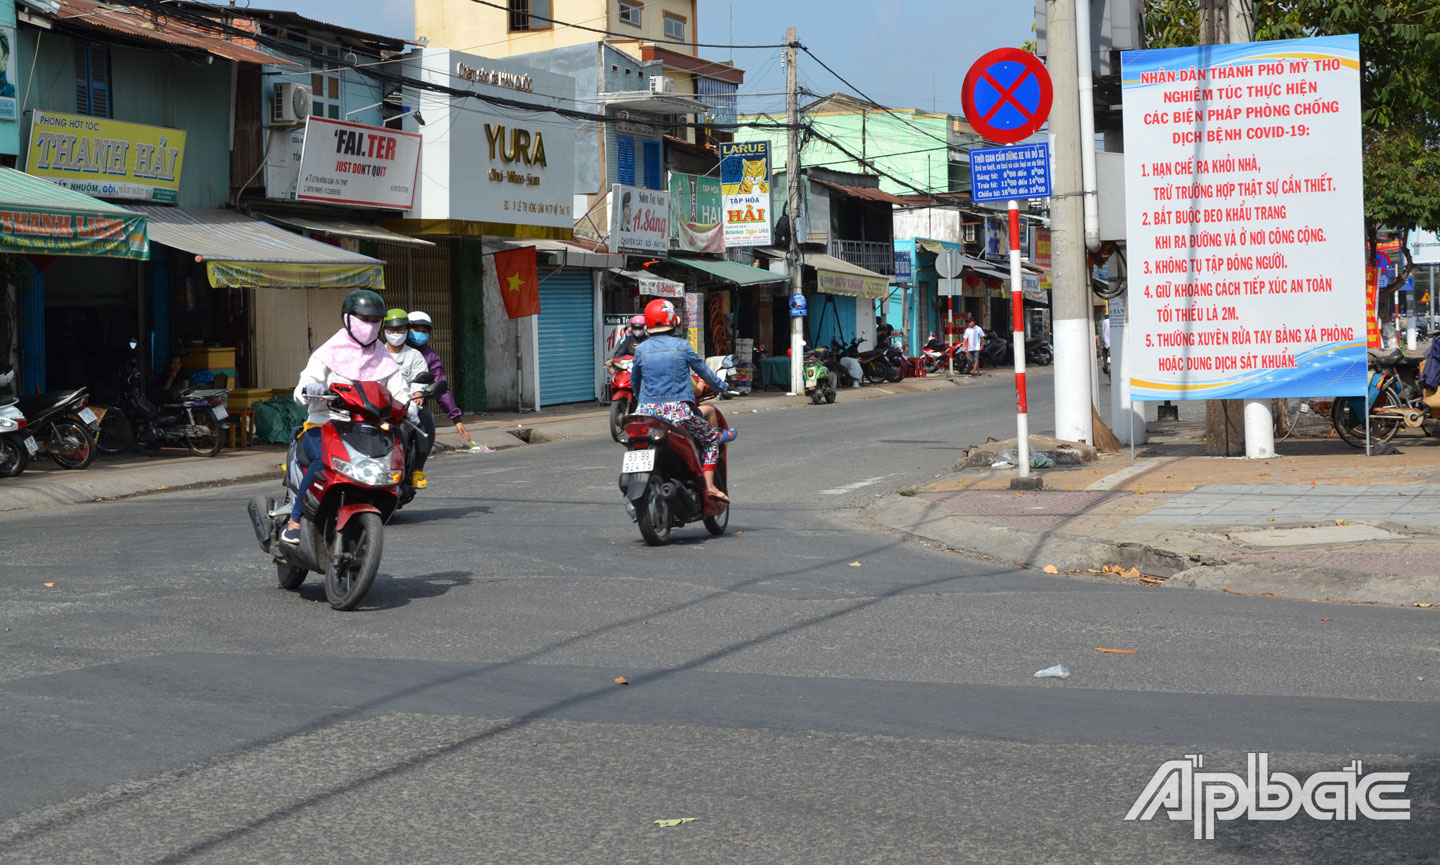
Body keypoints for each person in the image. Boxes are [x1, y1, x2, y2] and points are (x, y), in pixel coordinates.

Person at [282, 290, 414, 545]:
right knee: (322, 463)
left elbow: (399, 390)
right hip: (324, 425)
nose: (370, 325)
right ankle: (295, 520)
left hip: (367, 430)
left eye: (376, 320)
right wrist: (312, 389)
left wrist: (412, 408)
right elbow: (303, 386)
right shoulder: (327, 353)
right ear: (347, 318)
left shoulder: (383, 358)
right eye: (364, 319)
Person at [630, 298, 735, 502]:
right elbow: (704, 373)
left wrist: (640, 401)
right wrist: (722, 387)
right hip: (677, 415)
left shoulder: (641, 350)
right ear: (672, 320)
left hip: (646, 415)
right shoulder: (682, 346)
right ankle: (711, 486)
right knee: (712, 438)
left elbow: (636, 383)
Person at [406, 310, 472, 448]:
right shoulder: (388, 351)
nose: (420, 333)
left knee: (425, 435)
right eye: (416, 329)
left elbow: (440, 386)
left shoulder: (431, 356)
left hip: (416, 405)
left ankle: (417, 467)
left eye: (424, 331)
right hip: (391, 404)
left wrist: (456, 419)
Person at [382, 309, 432, 488]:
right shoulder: (375, 353)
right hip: (377, 406)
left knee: (425, 418)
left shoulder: (414, 356)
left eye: (400, 330)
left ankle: (417, 468)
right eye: (391, 330)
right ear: (384, 330)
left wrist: (418, 393)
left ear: (407, 331)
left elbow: (420, 379)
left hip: (406, 405)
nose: (395, 334)